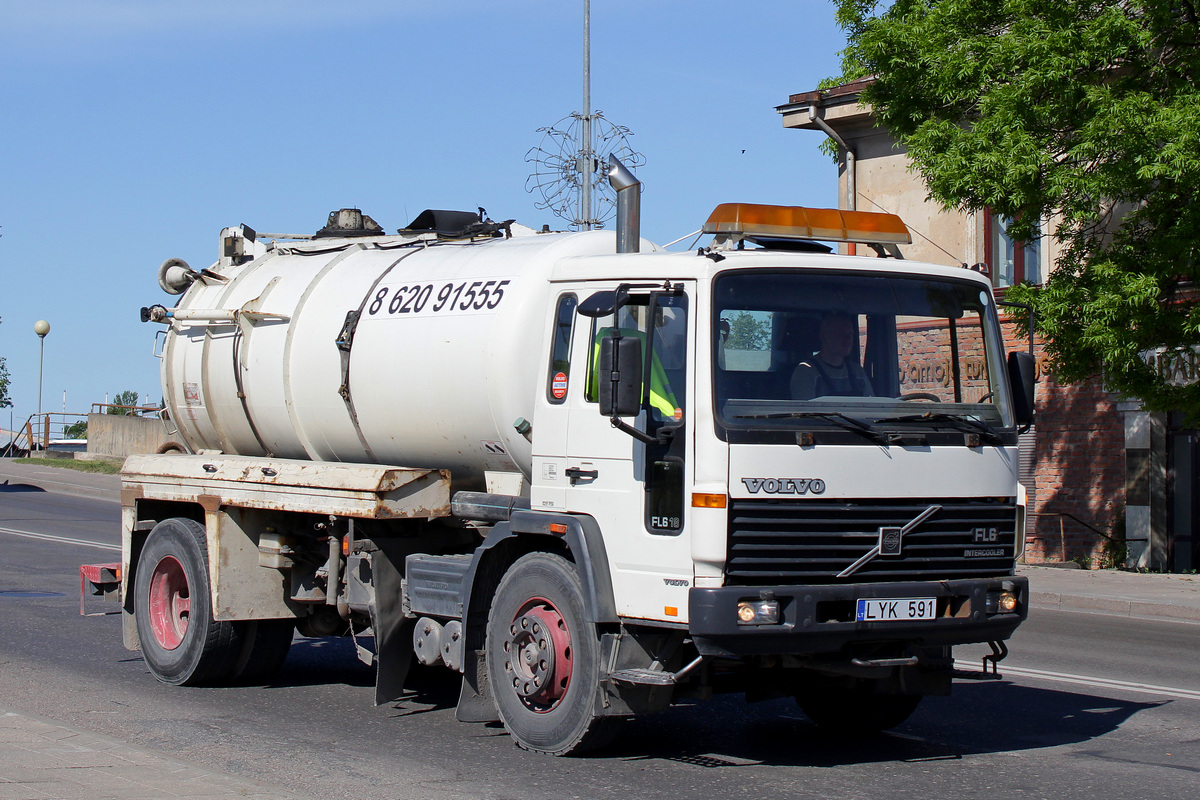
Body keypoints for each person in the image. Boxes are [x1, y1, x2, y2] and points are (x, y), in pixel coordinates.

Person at [790, 313, 874, 399]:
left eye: (850, 334)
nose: (848, 339)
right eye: (841, 334)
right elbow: (804, 410)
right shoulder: (806, 372)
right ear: (824, 337)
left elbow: (871, 407)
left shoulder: (858, 373)